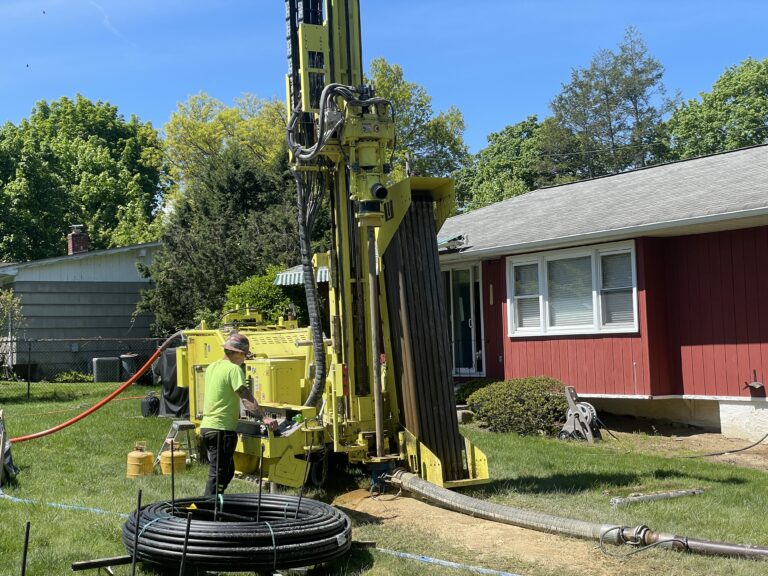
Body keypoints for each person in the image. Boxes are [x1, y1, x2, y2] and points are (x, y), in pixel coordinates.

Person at [199, 332, 275, 496]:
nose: (244, 360)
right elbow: (245, 396)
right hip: (221, 429)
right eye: (245, 356)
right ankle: (205, 512)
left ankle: (216, 503)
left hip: (207, 427)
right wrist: (264, 417)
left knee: (227, 471)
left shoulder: (213, 366)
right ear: (239, 353)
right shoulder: (234, 369)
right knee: (218, 474)